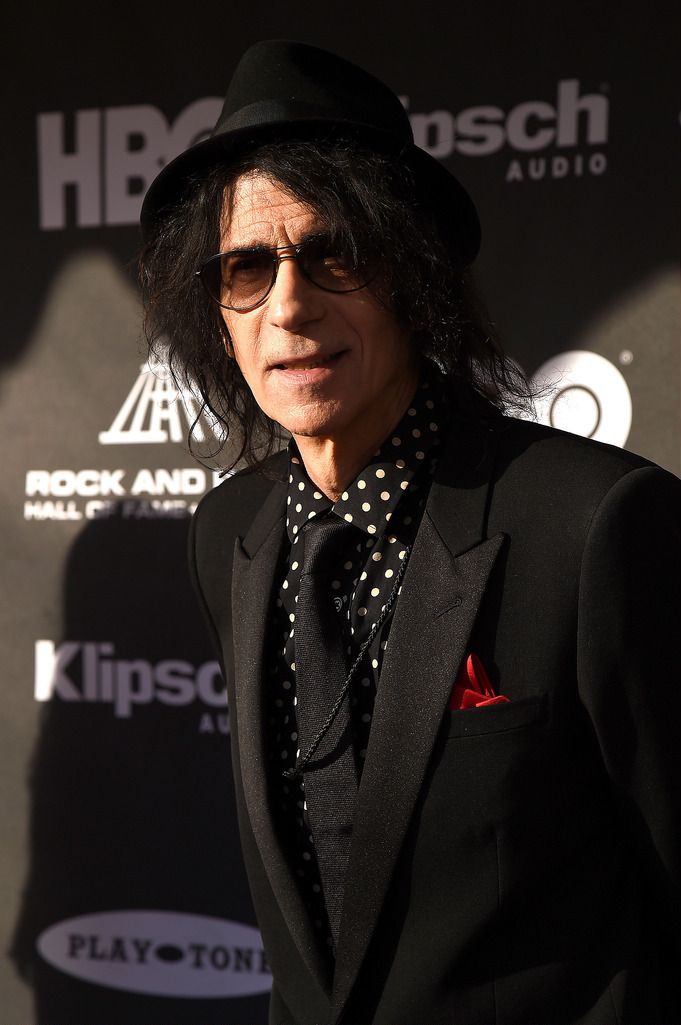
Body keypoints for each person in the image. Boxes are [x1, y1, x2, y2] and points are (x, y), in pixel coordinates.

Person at [139, 40, 680, 1025]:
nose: (290, 306)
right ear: (215, 310)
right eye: (246, 268)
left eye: (337, 253)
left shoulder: (596, 525)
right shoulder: (229, 534)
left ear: (414, 273)